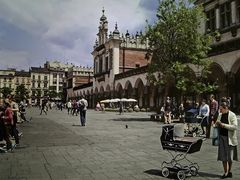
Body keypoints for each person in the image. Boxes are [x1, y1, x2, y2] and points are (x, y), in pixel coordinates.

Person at [215, 101, 238, 179]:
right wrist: (216, 124)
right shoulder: (220, 115)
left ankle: (229, 171)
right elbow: (217, 124)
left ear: (226, 108)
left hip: (230, 138)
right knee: (223, 156)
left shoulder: (232, 115)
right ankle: (225, 172)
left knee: (230, 157)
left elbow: (235, 127)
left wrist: (223, 125)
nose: (220, 111)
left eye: (221, 109)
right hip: (222, 137)